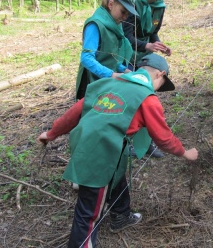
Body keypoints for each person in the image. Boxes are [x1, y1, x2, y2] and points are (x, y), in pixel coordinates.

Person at [38, 54, 198, 247]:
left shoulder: (106, 83)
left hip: (90, 143)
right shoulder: (147, 98)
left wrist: (52, 133)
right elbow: (163, 138)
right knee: (89, 211)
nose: (158, 90)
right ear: (160, 74)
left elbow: (76, 111)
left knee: (116, 173)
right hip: (100, 150)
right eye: (161, 84)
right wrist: (185, 153)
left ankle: (121, 215)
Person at [123, 0, 177, 158]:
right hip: (129, 57)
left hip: (145, 56)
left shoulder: (159, 7)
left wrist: (159, 44)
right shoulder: (133, 4)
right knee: (131, 100)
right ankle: (127, 143)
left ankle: (146, 144)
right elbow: (126, 37)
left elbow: (152, 32)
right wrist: (147, 46)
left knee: (148, 99)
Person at [75, 0, 137, 100]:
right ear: (111, 4)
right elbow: (86, 58)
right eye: (123, 12)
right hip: (92, 85)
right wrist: (111, 75)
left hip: (106, 84)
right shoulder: (95, 25)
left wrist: (124, 70)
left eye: (127, 14)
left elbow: (110, 59)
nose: (125, 18)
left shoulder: (115, 24)